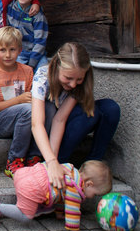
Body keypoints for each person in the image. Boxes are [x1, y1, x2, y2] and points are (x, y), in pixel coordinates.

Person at [29, 42, 121, 190]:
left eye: (79, 79)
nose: (73, 84)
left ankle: (93, 166)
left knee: (110, 108)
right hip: (49, 127)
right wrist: (52, 162)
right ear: (57, 66)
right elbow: (39, 124)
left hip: (66, 121)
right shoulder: (42, 77)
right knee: (89, 114)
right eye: (68, 78)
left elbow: (62, 117)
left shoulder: (79, 85)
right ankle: (61, 161)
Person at [0, 160, 113, 231]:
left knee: (51, 201)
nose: (93, 197)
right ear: (89, 184)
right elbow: (72, 210)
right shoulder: (75, 189)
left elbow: (61, 198)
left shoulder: (69, 168)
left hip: (25, 173)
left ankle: (39, 207)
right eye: (95, 194)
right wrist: (75, 230)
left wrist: (59, 213)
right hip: (32, 187)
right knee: (25, 216)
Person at [0, 27, 34, 178]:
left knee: (43, 108)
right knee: (27, 109)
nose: (8, 55)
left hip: (22, 119)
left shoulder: (27, 71)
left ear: (20, 50)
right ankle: (14, 160)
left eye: (12, 49)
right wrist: (18, 100)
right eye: (3, 50)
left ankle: (35, 157)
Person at [6, 0, 49, 71]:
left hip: (35, 54)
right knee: (18, 74)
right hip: (16, 52)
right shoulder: (10, 8)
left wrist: (31, 64)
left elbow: (40, 42)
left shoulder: (38, 17)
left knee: (45, 73)